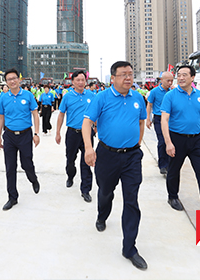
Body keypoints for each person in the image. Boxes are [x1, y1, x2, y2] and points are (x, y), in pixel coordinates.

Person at [82, 61, 148, 271]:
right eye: (123, 74)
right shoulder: (102, 97)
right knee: (105, 192)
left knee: (132, 201)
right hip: (107, 155)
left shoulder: (138, 98)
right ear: (113, 78)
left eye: (130, 74)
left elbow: (141, 122)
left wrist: (137, 143)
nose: (128, 78)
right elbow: (87, 122)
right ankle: (102, 215)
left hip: (132, 157)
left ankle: (129, 248)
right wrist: (88, 148)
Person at [160, 64, 200, 212]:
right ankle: (172, 196)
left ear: (192, 77)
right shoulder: (170, 96)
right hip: (176, 138)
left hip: (197, 140)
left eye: (184, 75)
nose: (180, 78)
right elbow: (164, 120)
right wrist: (168, 143)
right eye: (178, 75)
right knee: (174, 170)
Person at [0, 68, 40, 211]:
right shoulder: (4, 98)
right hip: (9, 136)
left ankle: (33, 179)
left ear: (19, 79)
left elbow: (35, 114)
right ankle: (12, 197)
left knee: (26, 164)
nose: (12, 81)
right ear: (6, 82)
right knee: (10, 167)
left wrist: (36, 133)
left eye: (14, 78)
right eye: (9, 79)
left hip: (25, 135)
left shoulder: (28, 95)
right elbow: (1, 117)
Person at [55, 70, 95, 202]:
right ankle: (70, 176)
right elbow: (61, 115)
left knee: (87, 161)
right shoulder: (67, 96)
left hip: (87, 134)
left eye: (83, 80)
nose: (81, 82)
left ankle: (86, 190)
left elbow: (97, 113)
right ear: (72, 82)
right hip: (72, 133)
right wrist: (58, 132)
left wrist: (96, 127)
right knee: (70, 159)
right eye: (78, 80)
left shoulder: (91, 95)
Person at [146, 72, 174, 176]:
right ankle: (163, 165)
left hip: (171, 119)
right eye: (168, 80)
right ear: (161, 80)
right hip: (159, 118)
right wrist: (148, 119)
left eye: (172, 80)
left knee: (171, 141)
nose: (170, 83)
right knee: (162, 141)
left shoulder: (173, 91)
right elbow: (149, 105)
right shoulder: (154, 91)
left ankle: (170, 164)